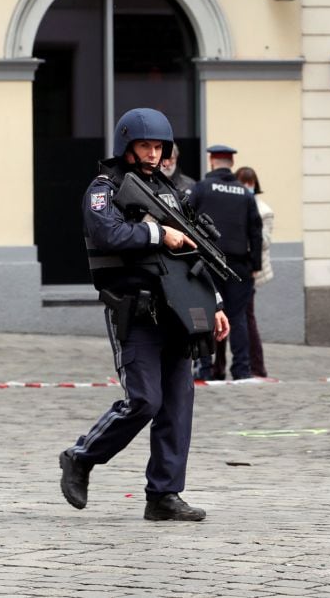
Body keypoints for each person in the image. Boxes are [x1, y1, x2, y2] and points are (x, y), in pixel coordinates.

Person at [59, 107, 229, 522]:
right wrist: (159, 233)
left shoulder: (170, 192)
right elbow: (106, 232)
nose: (154, 154)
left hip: (178, 313)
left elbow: (194, 255)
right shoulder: (105, 188)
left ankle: (164, 495)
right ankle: (80, 457)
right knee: (144, 401)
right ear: (127, 146)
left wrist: (216, 304)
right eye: (145, 146)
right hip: (135, 312)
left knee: (177, 406)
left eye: (159, 147)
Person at [189, 145, 262, 381]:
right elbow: (256, 231)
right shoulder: (244, 193)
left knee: (205, 314)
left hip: (207, 263)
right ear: (231, 163)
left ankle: (205, 368)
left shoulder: (201, 188)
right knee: (238, 318)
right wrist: (255, 264)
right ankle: (241, 370)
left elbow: (185, 221)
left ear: (212, 161)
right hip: (238, 266)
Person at [235, 166, 273, 378]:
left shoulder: (264, 210)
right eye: (242, 183)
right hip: (237, 265)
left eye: (249, 184)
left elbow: (265, 241)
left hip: (251, 269)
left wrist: (251, 227)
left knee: (247, 317)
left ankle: (257, 367)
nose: (246, 188)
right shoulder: (234, 205)